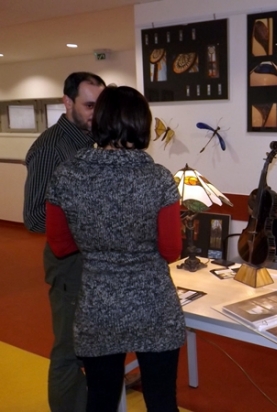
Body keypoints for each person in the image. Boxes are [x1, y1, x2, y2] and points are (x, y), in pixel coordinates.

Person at [45, 85, 186, 412]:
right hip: (153, 306)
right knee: (162, 401)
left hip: (98, 306)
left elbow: (61, 246)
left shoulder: (66, 176)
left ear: (99, 121)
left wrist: (98, 242)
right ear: (142, 124)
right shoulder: (158, 179)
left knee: (101, 400)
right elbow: (170, 250)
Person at [23, 72, 106, 412]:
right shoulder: (50, 149)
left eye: (100, 106)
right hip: (69, 265)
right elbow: (34, 217)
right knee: (69, 352)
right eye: (89, 105)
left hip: (94, 262)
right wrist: (90, 223)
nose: (96, 113)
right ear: (67, 102)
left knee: (93, 345)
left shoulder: (90, 141)